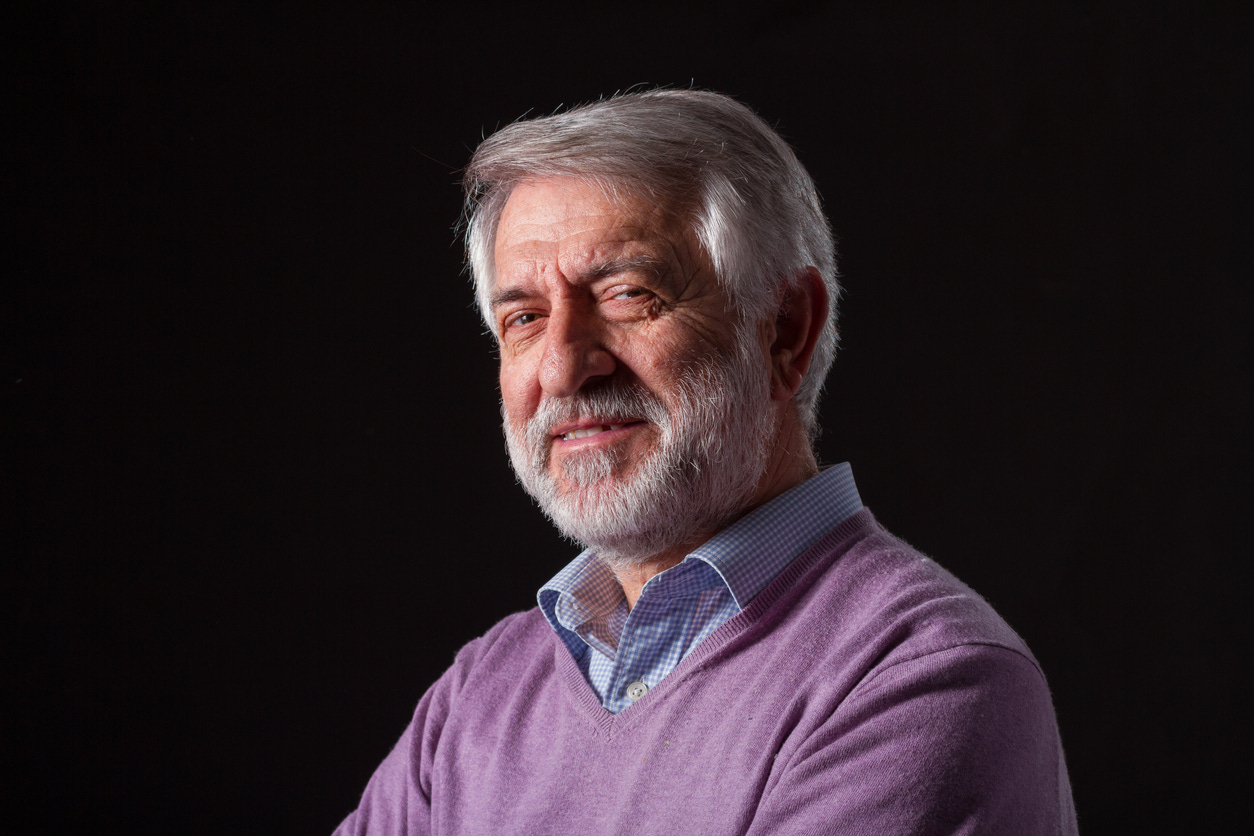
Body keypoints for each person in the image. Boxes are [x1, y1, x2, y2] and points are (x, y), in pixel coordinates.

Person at [335, 89, 1078, 835]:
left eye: (628, 294)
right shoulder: (481, 696)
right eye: (524, 318)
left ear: (785, 331)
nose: (561, 368)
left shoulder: (919, 680)